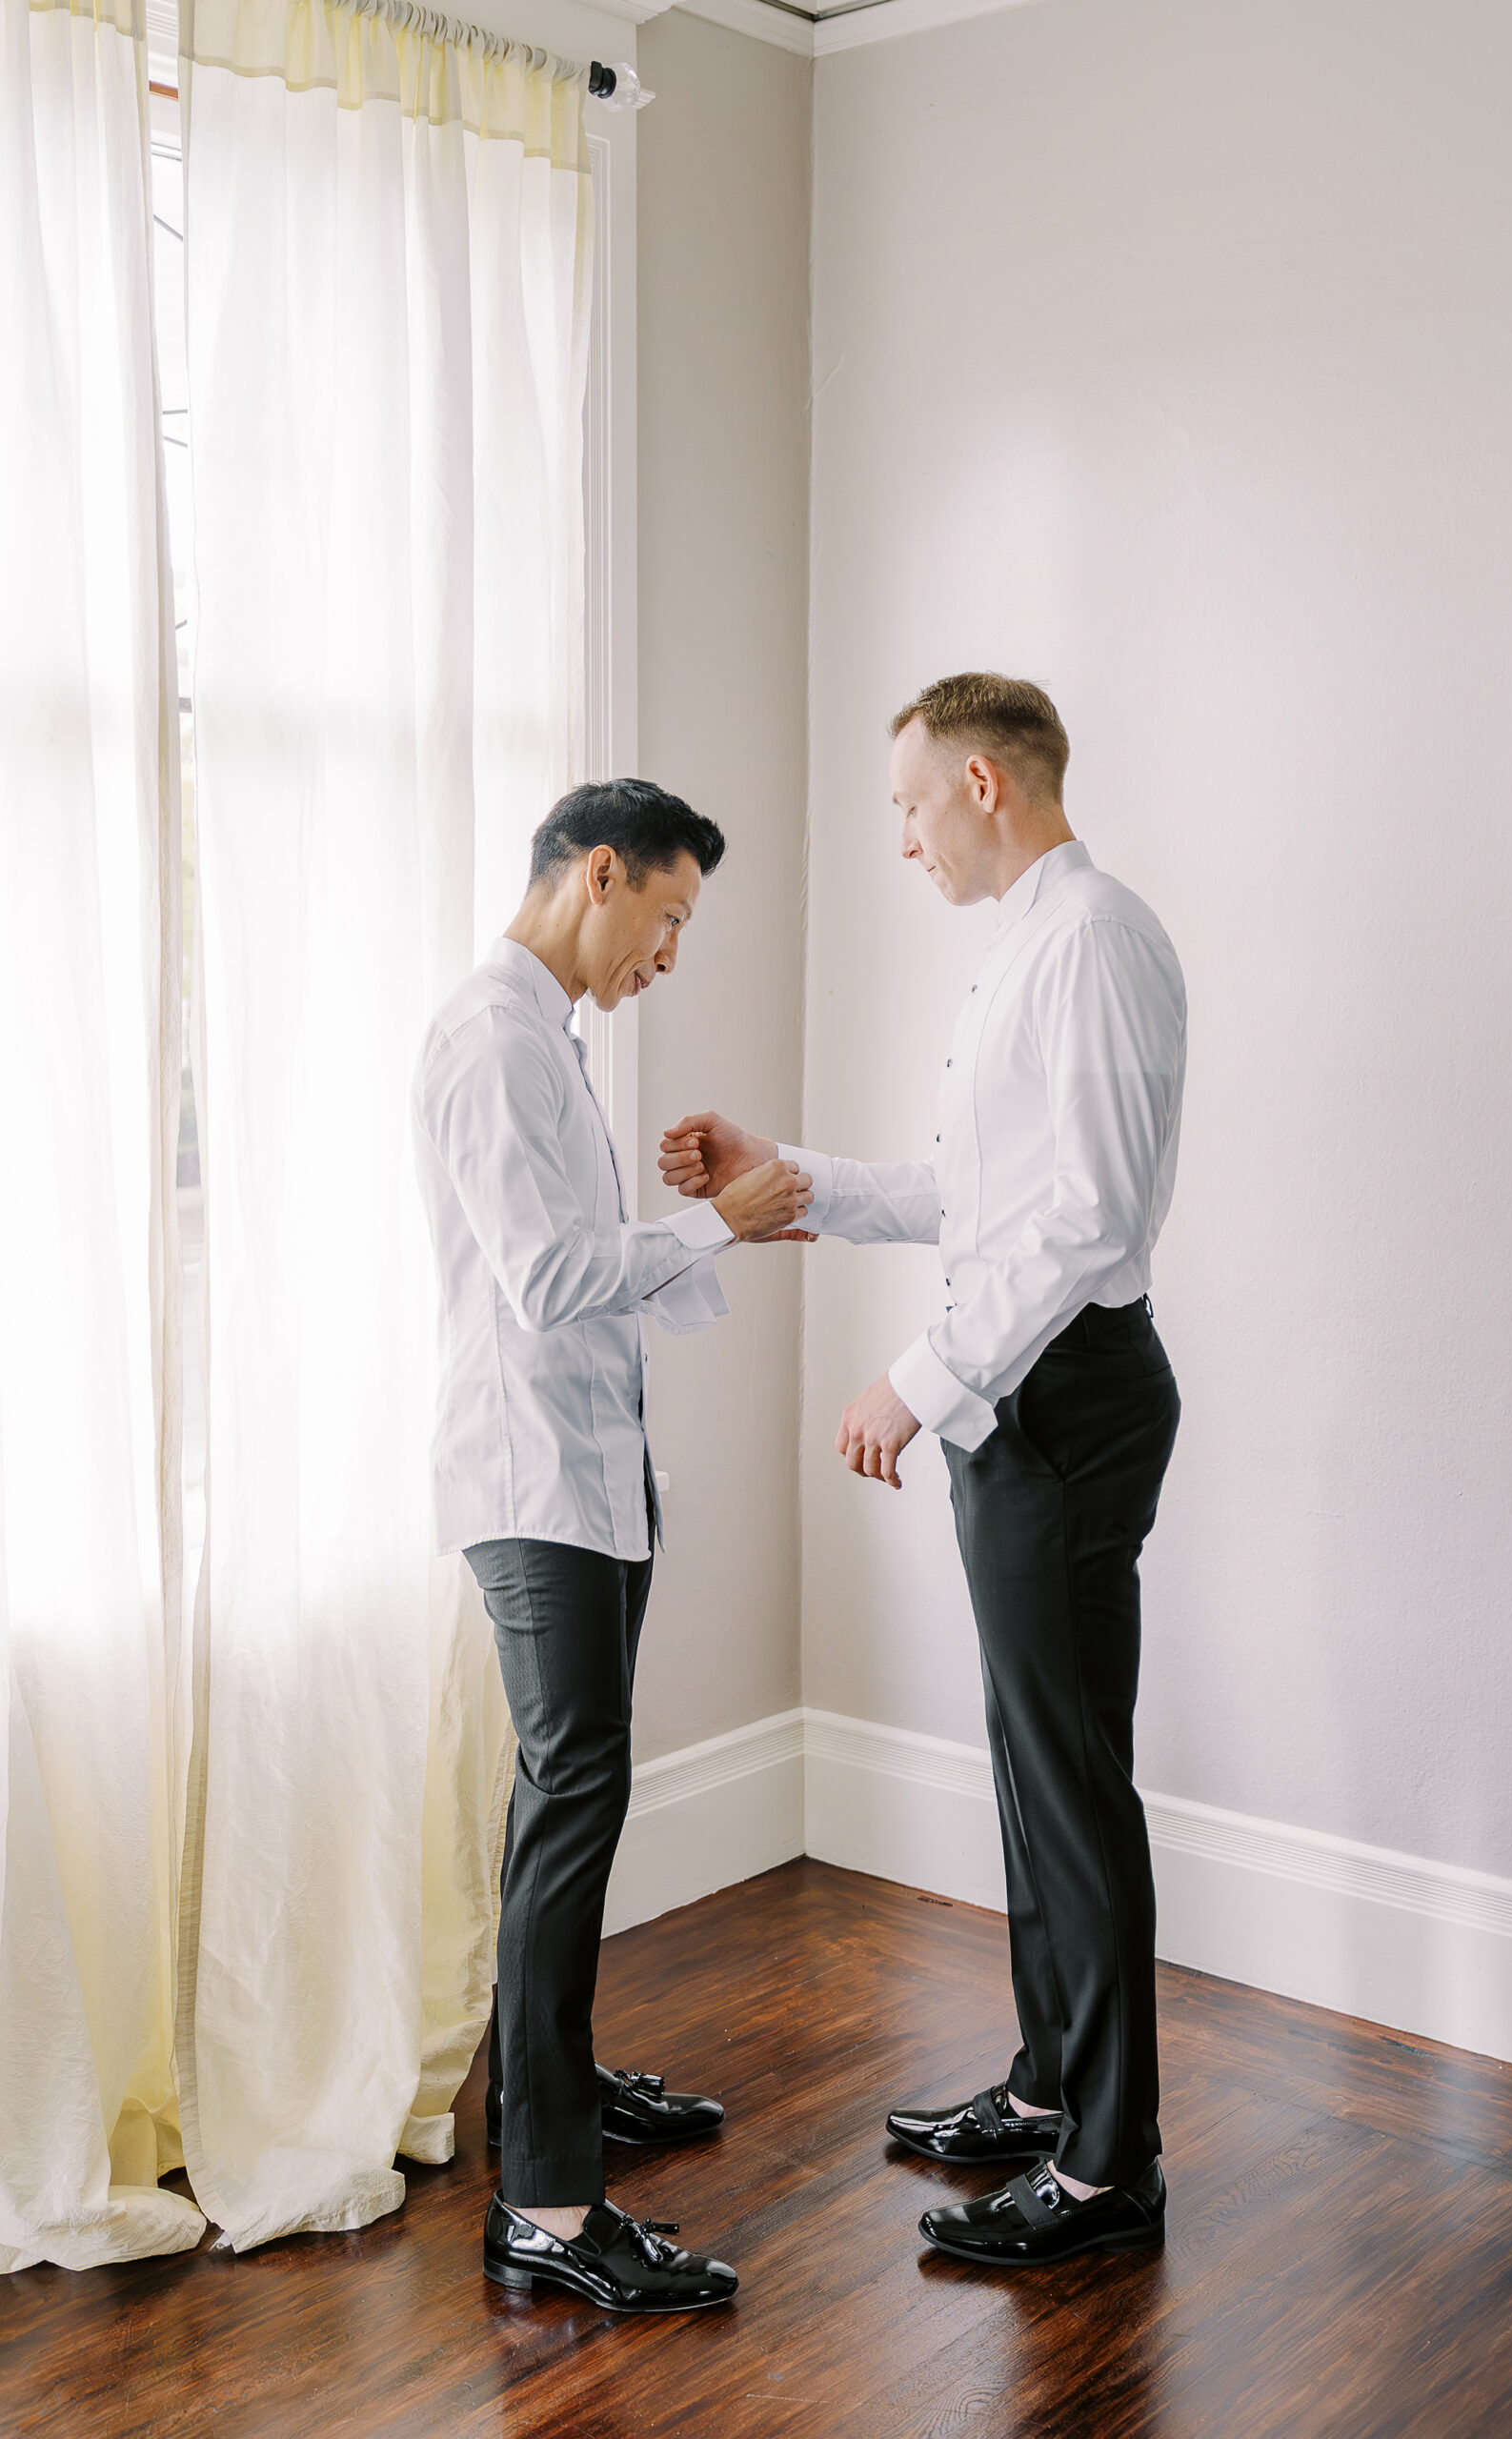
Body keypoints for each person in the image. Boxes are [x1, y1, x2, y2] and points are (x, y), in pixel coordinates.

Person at [659, 674, 1185, 2270]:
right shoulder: (1028, 947)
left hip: (1060, 1399)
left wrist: (921, 1379)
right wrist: (790, 1175)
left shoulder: (1087, 941)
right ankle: (1049, 2090)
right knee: (1035, 1767)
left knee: (1071, 1782)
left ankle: (1106, 2174)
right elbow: (972, 1193)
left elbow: (1085, 1216)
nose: (898, 839)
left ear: (978, 781)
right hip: (1024, 1401)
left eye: (903, 806)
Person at [412, 778, 813, 2314]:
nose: (670, 954)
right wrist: (719, 1226)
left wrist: (714, 1217)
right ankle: (551, 2206)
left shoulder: (547, 1043)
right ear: (600, 874)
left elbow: (592, 1268)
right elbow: (542, 1276)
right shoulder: (492, 1037)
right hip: (534, 1484)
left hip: (590, 1473)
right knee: (577, 1791)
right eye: (670, 918)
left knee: (563, 1790)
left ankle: (546, 2088)